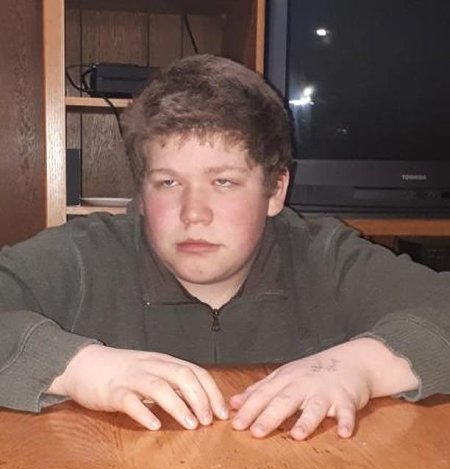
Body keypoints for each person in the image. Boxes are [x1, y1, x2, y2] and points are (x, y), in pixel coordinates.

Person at [1, 54, 449, 441]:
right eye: (168, 182)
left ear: (275, 190)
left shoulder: (326, 259)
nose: (193, 213)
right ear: (142, 192)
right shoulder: (85, 257)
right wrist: (75, 366)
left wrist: (362, 366)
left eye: (224, 182)